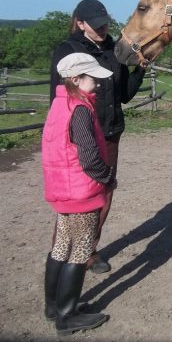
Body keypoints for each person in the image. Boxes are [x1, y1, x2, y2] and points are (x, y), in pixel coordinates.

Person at [50, 0, 145, 273]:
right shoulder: (68, 52)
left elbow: (125, 94)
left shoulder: (113, 50)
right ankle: (62, 253)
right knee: (76, 201)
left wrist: (140, 69)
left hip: (111, 132)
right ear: (80, 23)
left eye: (104, 22)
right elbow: (59, 99)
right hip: (81, 136)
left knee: (103, 196)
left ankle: (88, 250)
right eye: (96, 24)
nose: (103, 28)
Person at [42, 52, 115, 335]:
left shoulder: (60, 104)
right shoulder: (81, 110)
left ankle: (53, 306)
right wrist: (107, 177)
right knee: (81, 250)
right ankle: (67, 315)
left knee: (61, 247)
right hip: (81, 191)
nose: (96, 84)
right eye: (92, 78)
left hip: (62, 189)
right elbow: (89, 157)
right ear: (75, 79)